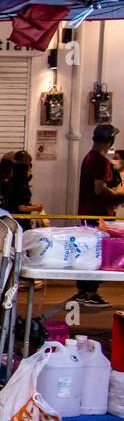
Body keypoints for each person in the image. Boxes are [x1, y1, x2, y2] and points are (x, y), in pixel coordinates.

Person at [74, 123, 124, 304]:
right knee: (98, 253)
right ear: (110, 141)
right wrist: (119, 196)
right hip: (98, 214)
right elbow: (99, 189)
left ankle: (84, 291)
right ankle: (89, 292)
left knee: (89, 252)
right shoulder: (99, 161)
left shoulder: (90, 158)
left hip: (89, 213)